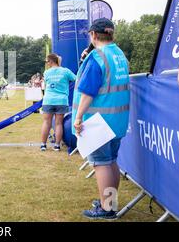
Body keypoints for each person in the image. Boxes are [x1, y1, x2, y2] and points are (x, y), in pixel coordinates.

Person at [72, 18, 130, 220]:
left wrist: (78, 118)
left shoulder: (97, 57)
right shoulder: (118, 54)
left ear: (93, 35)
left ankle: (107, 209)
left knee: (101, 164)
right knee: (111, 161)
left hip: (98, 121)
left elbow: (88, 92)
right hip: (117, 120)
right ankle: (109, 203)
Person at [40, 54, 76, 152]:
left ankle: (43, 145)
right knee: (58, 123)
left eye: (47, 61)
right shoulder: (66, 71)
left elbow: (47, 85)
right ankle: (57, 145)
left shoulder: (47, 72)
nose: (47, 63)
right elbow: (76, 79)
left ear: (51, 61)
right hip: (61, 100)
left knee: (46, 122)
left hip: (48, 100)